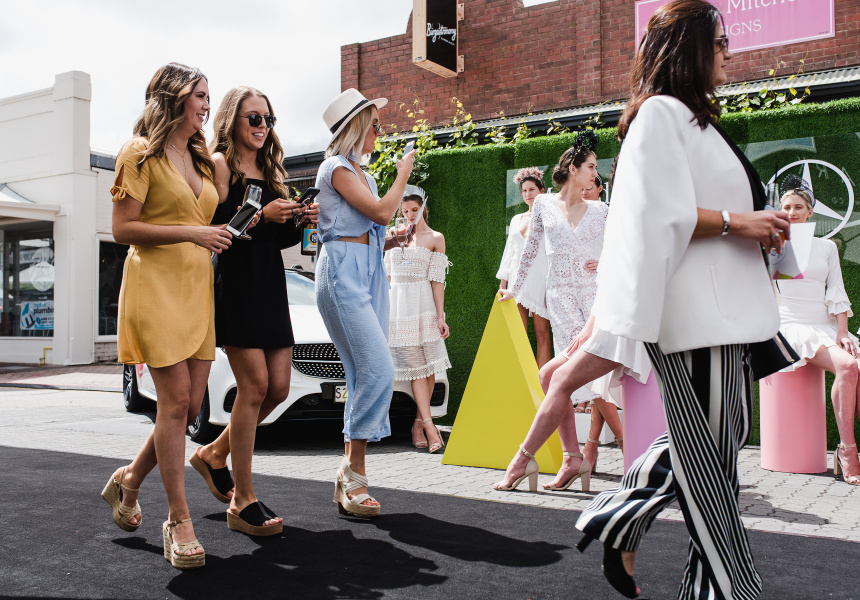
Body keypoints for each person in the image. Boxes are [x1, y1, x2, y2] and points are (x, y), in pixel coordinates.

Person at [571, 2, 792, 598]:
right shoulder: (659, 114)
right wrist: (740, 223)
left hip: (726, 312)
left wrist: (757, 228)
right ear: (689, 48)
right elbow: (654, 213)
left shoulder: (695, 121)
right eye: (719, 42)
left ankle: (619, 519)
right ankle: (728, 588)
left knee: (717, 445)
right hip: (694, 314)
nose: (729, 53)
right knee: (710, 466)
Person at [102, 63, 229, 569]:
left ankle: (129, 481)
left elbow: (210, 216)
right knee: (175, 402)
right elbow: (122, 229)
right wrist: (193, 232)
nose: (206, 105)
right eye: (199, 95)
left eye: (208, 96)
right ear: (173, 98)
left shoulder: (200, 157)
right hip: (154, 287)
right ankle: (179, 520)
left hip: (197, 290)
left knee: (187, 406)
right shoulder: (138, 153)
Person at [189, 86, 319, 537]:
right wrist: (264, 216)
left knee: (278, 389)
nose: (264, 127)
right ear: (233, 120)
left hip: (270, 286)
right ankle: (242, 499)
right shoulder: (220, 165)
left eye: (269, 119)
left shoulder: (270, 168)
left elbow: (274, 241)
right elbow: (216, 232)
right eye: (255, 118)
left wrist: (298, 220)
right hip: (237, 287)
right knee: (255, 386)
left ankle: (213, 453)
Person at [315, 89, 415, 517]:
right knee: (378, 369)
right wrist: (403, 175)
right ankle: (353, 472)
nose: (380, 132)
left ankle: (351, 477)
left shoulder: (364, 175)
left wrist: (392, 239)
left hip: (368, 268)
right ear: (355, 127)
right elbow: (380, 212)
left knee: (363, 373)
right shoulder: (335, 168)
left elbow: (374, 227)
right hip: (341, 270)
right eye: (374, 125)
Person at [495, 132, 606, 492]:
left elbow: (624, 253)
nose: (595, 173)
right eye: (590, 167)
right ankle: (573, 457)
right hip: (559, 301)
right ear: (573, 169)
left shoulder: (602, 211)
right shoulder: (543, 204)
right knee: (561, 380)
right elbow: (529, 251)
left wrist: (603, 264)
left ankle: (568, 456)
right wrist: (513, 289)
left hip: (594, 301)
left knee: (564, 379)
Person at [776, 175, 860, 485]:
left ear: (810, 211)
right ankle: (848, 451)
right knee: (848, 366)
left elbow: (836, 290)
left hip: (825, 324)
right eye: (786, 207)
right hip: (791, 325)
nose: (792, 212)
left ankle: (846, 450)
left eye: (798, 207)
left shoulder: (827, 247)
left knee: (857, 366)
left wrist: (842, 332)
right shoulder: (772, 244)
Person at [384, 187, 451, 452]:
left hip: (424, 307)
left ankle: (417, 424)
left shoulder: (435, 238)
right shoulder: (393, 235)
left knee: (429, 368)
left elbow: (437, 281)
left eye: (414, 210)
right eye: (405, 211)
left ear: (423, 208)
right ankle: (430, 426)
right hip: (399, 310)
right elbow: (387, 278)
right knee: (416, 368)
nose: (410, 215)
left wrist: (440, 316)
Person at [497, 167, 551, 368]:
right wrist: (503, 282)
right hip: (516, 283)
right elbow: (509, 252)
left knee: (542, 334)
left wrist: (551, 286)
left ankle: (542, 384)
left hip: (540, 280)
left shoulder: (550, 219)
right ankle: (520, 381)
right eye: (525, 191)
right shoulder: (515, 219)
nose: (528, 194)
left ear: (542, 191)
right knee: (518, 335)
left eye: (532, 190)